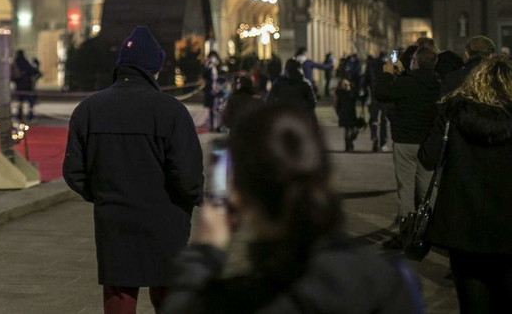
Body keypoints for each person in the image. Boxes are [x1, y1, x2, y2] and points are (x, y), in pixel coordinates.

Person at [162, 103, 419, 314]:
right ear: (325, 175)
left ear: (241, 197)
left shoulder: (237, 301)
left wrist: (206, 248)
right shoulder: (390, 282)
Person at [63, 26, 204, 313]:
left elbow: (74, 171)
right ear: (154, 67)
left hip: (114, 218)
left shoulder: (88, 110)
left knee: (120, 295)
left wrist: (102, 194)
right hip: (166, 219)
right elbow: (188, 175)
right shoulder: (171, 110)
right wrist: (190, 200)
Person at [419, 54, 512, 311]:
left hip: (462, 225)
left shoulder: (453, 112)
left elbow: (428, 157)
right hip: (508, 225)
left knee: (472, 304)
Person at [374, 46, 440, 247]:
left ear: (416, 62)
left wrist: (387, 74)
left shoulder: (406, 83)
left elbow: (382, 94)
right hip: (427, 142)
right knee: (427, 188)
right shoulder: (437, 84)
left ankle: (407, 232)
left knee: (406, 188)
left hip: (405, 141)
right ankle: (435, 228)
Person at [11, 50, 42, 123]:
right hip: (27, 86)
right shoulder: (24, 62)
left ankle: (19, 116)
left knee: (20, 102)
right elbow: (33, 71)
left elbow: (12, 76)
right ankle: (30, 116)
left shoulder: (16, 63)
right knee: (30, 102)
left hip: (19, 86)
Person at [201, 52, 226, 132]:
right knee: (212, 109)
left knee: (218, 108)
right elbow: (205, 75)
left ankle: (219, 126)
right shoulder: (209, 66)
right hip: (211, 90)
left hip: (217, 90)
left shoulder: (218, 67)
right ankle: (213, 126)